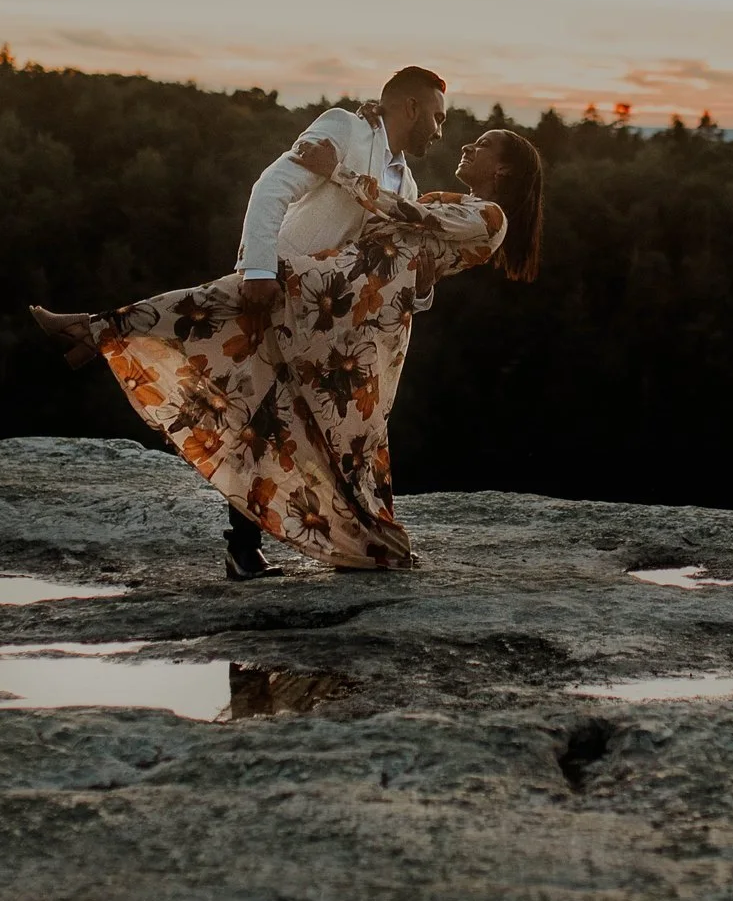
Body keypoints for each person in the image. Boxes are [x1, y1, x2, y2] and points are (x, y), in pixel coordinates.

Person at [31, 108, 544, 578]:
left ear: (501, 173)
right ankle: (98, 332)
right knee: (267, 379)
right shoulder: (444, 195)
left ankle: (96, 332)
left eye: (482, 145)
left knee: (350, 437)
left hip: (355, 305)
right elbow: (405, 242)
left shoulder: (492, 218)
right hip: (352, 295)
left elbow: (405, 218)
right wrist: (366, 133)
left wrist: (333, 168)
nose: (466, 146)